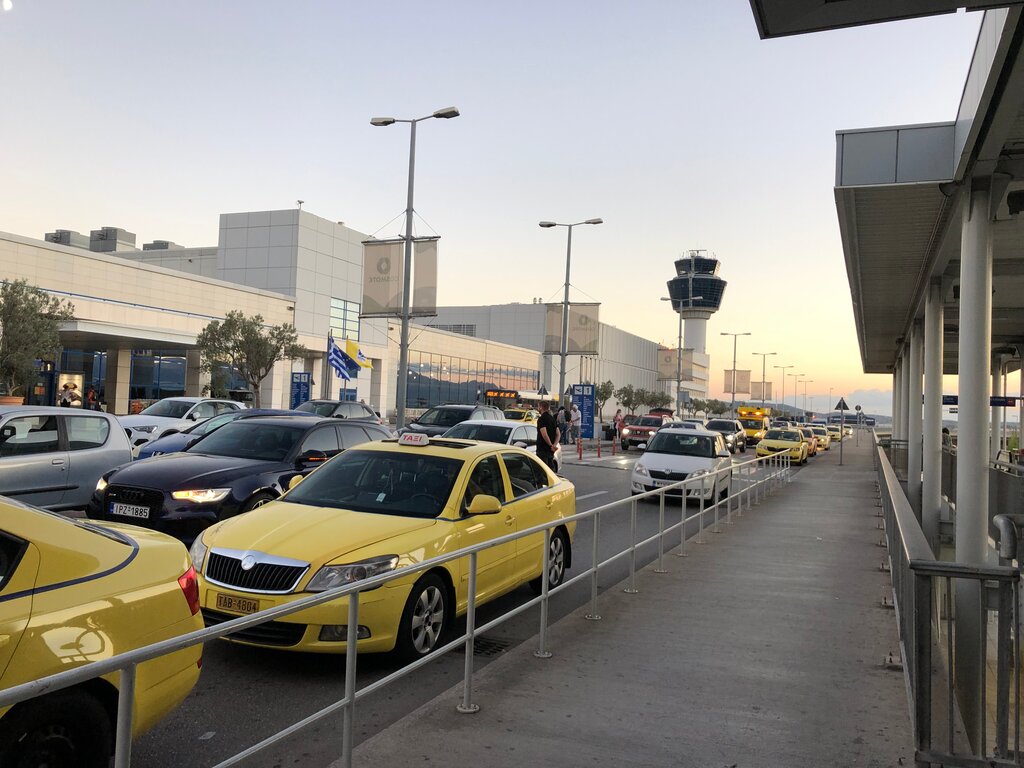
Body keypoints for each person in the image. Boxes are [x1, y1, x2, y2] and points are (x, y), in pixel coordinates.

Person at [535, 401, 560, 471]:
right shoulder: (552, 419)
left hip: (542, 450)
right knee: (550, 470)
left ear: (540, 407)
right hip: (550, 451)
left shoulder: (541, 419)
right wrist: (554, 445)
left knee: (542, 471)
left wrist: (550, 445)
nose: (538, 408)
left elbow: (544, 434)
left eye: (538, 407)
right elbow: (558, 434)